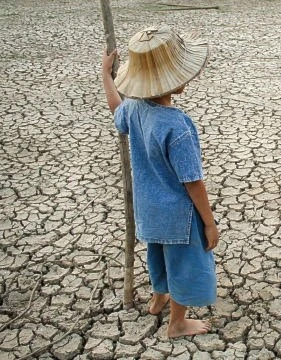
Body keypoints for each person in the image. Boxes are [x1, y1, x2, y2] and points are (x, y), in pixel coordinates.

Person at [101, 25, 219, 338]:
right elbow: (193, 181)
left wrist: (106, 75)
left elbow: (116, 109)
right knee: (183, 264)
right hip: (178, 215)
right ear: (176, 78)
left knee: (157, 255)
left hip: (148, 210)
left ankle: (157, 300)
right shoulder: (177, 126)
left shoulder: (135, 109)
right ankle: (177, 323)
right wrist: (209, 222)